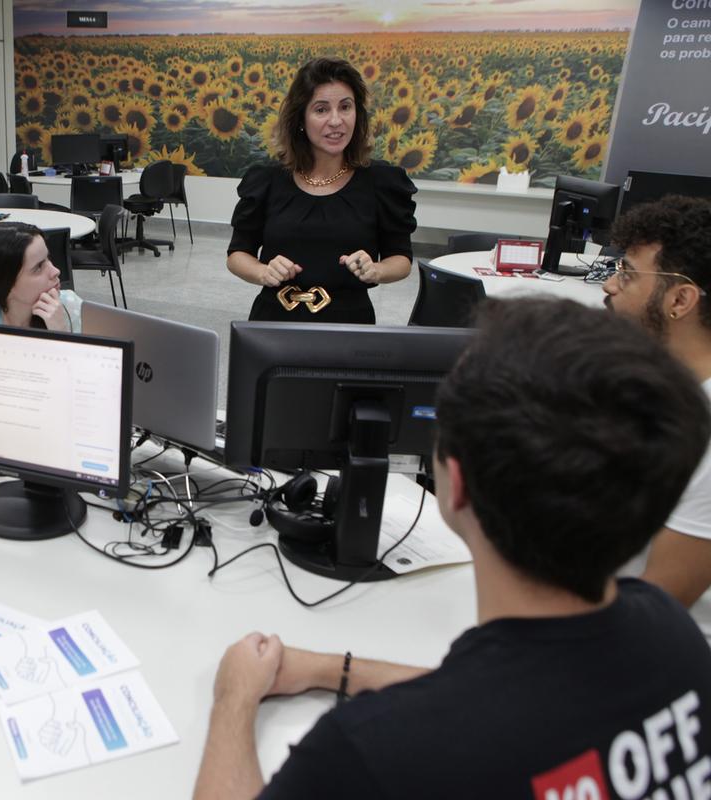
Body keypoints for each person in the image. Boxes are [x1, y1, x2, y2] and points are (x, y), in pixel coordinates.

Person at [194, 297, 711, 799]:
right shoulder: (672, 633)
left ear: (456, 486)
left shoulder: (374, 750)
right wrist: (330, 669)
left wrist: (234, 697)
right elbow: (513, 697)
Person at [227, 57, 416, 324]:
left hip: (349, 328)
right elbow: (237, 254)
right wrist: (262, 271)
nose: (336, 121)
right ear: (301, 118)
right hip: (273, 324)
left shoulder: (381, 182)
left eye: (345, 107)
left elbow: (401, 259)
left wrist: (377, 270)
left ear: (357, 114)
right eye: (321, 110)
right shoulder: (267, 180)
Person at [603, 195, 711, 639]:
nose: (610, 285)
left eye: (628, 274)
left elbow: (658, 608)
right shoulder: (655, 385)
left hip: (659, 657)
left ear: (680, 299)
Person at [0, 221, 82, 332]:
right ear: (0, 283)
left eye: (48, 258)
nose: (56, 271)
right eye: (38, 267)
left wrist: (61, 332)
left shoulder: (71, 305)